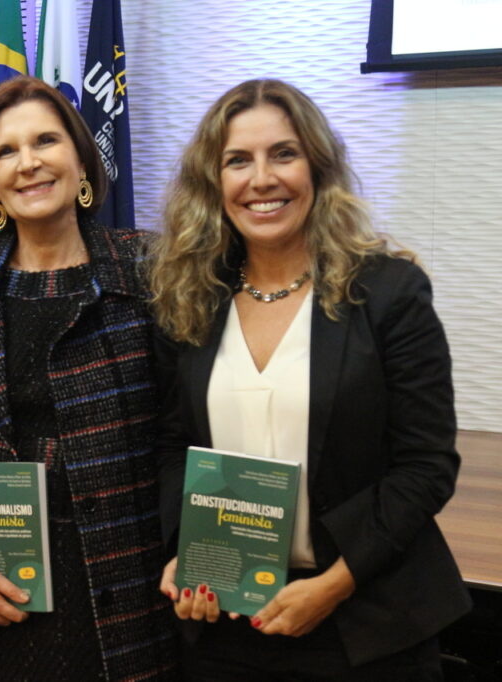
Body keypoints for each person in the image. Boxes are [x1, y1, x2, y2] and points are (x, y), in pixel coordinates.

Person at [149, 78, 472, 680]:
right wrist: (186, 553)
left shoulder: (388, 292)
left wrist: (334, 583)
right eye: (237, 160)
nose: (261, 179)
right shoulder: (191, 298)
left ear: (318, 168)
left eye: (283, 154)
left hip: (366, 623)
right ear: (213, 182)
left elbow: (426, 466)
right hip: (227, 623)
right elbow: (173, 446)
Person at [0, 75, 181, 681]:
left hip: (126, 587)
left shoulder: (152, 270)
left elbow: (186, 428)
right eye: (5, 151)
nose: (28, 163)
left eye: (46, 141)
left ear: (81, 160)